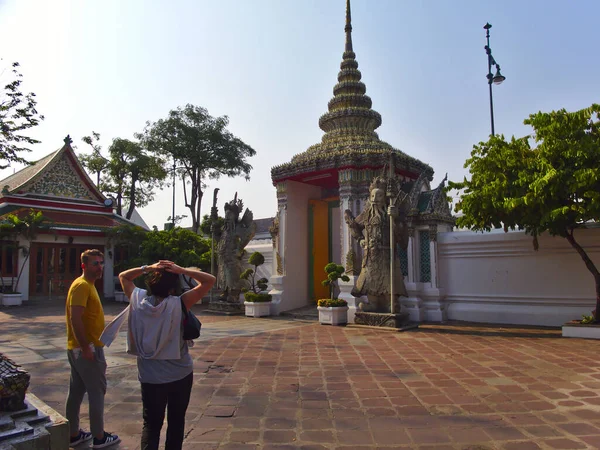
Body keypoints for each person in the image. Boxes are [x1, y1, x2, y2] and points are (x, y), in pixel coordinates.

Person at [119, 260, 215, 450]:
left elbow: (124, 276)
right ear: (173, 288)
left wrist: (148, 267)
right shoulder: (180, 303)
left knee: (151, 425)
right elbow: (209, 281)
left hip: (150, 376)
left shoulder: (137, 299)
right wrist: (182, 269)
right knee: (176, 422)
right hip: (180, 373)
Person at [65, 249, 121, 448]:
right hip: (86, 348)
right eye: (95, 263)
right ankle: (99, 436)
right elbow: (75, 317)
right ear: (84, 265)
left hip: (81, 347)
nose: (99, 267)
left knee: (77, 392)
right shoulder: (81, 286)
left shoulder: (89, 286)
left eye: (100, 263)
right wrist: (86, 347)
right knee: (96, 392)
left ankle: (73, 434)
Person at [344, 176, 409, 313]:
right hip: (370, 255)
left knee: (388, 279)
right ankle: (373, 302)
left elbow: (401, 233)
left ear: (385, 196)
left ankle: (391, 303)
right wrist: (360, 239)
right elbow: (354, 225)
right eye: (373, 195)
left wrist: (395, 218)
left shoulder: (390, 213)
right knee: (370, 279)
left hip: (386, 254)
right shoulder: (367, 214)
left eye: (379, 195)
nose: (375, 198)